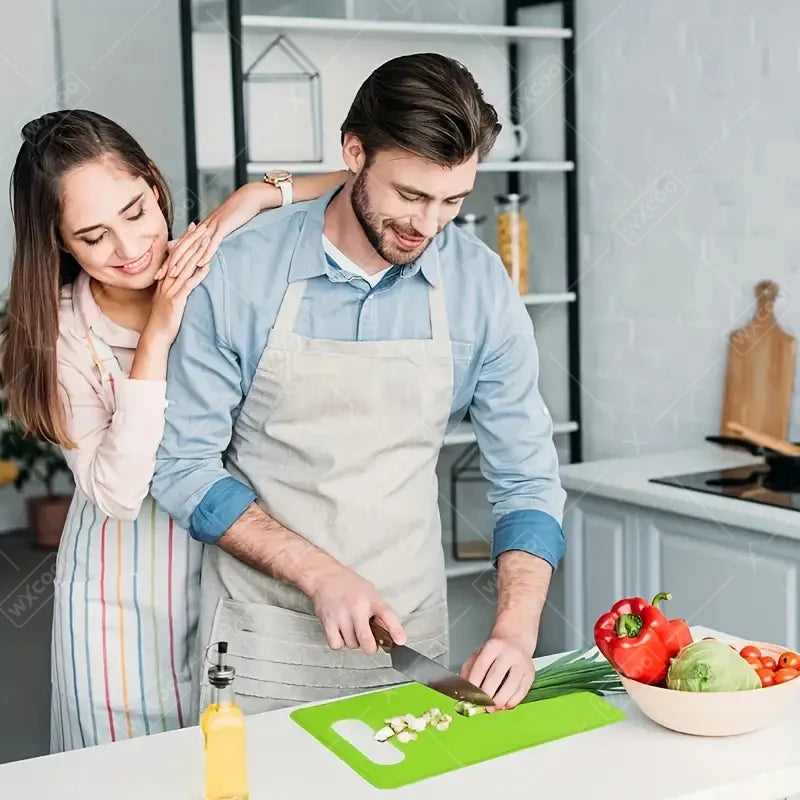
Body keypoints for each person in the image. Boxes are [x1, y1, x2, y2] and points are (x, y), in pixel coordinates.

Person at [152, 52, 567, 716]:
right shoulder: (240, 273)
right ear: (354, 152)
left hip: (411, 641)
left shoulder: (479, 286)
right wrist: (319, 574)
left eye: (453, 202)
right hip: (268, 648)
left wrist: (516, 631)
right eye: (410, 196)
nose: (428, 226)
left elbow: (527, 479)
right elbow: (181, 467)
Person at [0, 108, 345, 751]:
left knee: (227, 765)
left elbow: (362, 183)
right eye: (93, 236)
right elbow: (121, 492)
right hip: (117, 602)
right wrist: (158, 329)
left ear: (155, 186)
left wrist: (248, 199)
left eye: (135, 211)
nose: (131, 249)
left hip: (232, 573)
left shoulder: (212, 262)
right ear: (60, 244)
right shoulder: (64, 337)